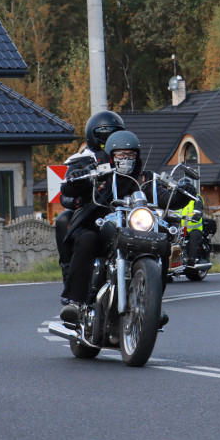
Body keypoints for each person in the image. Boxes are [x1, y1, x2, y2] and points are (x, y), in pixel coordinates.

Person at [58, 129, 188, 326]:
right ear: (111, 156)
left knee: (161, 244)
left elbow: (166, 197)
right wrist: (78, 177)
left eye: (130, 155)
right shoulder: (100, 176)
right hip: (102, 230)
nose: (125, 159)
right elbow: (70, 188)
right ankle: (75, 303)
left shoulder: (146, 180)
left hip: (136, 231)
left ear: (137, 156)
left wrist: (184, 193)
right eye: (120, 155)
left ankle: (154, 305)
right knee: (87, 239)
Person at [54, 110, 124, 306]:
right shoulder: (81, 160)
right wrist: (79, 195)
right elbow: (65, 193)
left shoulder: (126, 160)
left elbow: (145, 182)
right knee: (66, 223)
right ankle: (70, 278)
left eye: (114, 133)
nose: (109, 138)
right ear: (93, 136)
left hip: (122, 215)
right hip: (93, 216)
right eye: (104, 134)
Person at [174, 176, 204, 265]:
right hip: (180, 229)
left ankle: (191, 259)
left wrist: (196, 214)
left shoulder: (196, 198)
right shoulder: (176, 200)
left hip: (195, 229)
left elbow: (198, 207)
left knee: (193, 238)